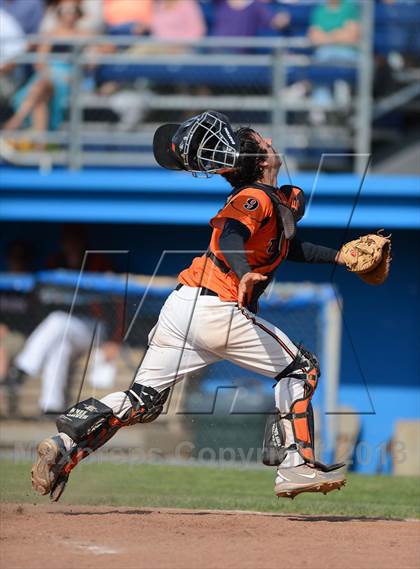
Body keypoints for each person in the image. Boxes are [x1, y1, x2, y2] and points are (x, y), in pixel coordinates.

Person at [31, 110, 347, 502]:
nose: (270, 142)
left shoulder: (272, 201)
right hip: (217, 310)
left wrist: (341, 257)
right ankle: (295, 465)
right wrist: (244, 270)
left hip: (183, 308)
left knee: (142, 402)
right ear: (261, 160)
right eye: (264, 141)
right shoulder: (253, 197)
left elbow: (287, 246)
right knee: (302, 368)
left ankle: (63, 447)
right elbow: (232, 235)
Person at [2, 0, 88, 146]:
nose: (69, 15)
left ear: (78, 14)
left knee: (40, 89)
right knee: (41, 96)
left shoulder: (85, 35)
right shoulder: (50, 35)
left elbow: (105, 50)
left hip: (70, 79)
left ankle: (15, 122)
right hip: (48, 75)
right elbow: (40, 62)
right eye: (64, 11)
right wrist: (50, 74)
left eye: (72, 11)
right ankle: (40, 147)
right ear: (59, 14)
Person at [212, 0, 290, 38]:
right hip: (217, 50)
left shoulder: (256, 6)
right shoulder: (221, 2)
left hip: (242, 54)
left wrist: (282, 19)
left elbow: (275, 21)